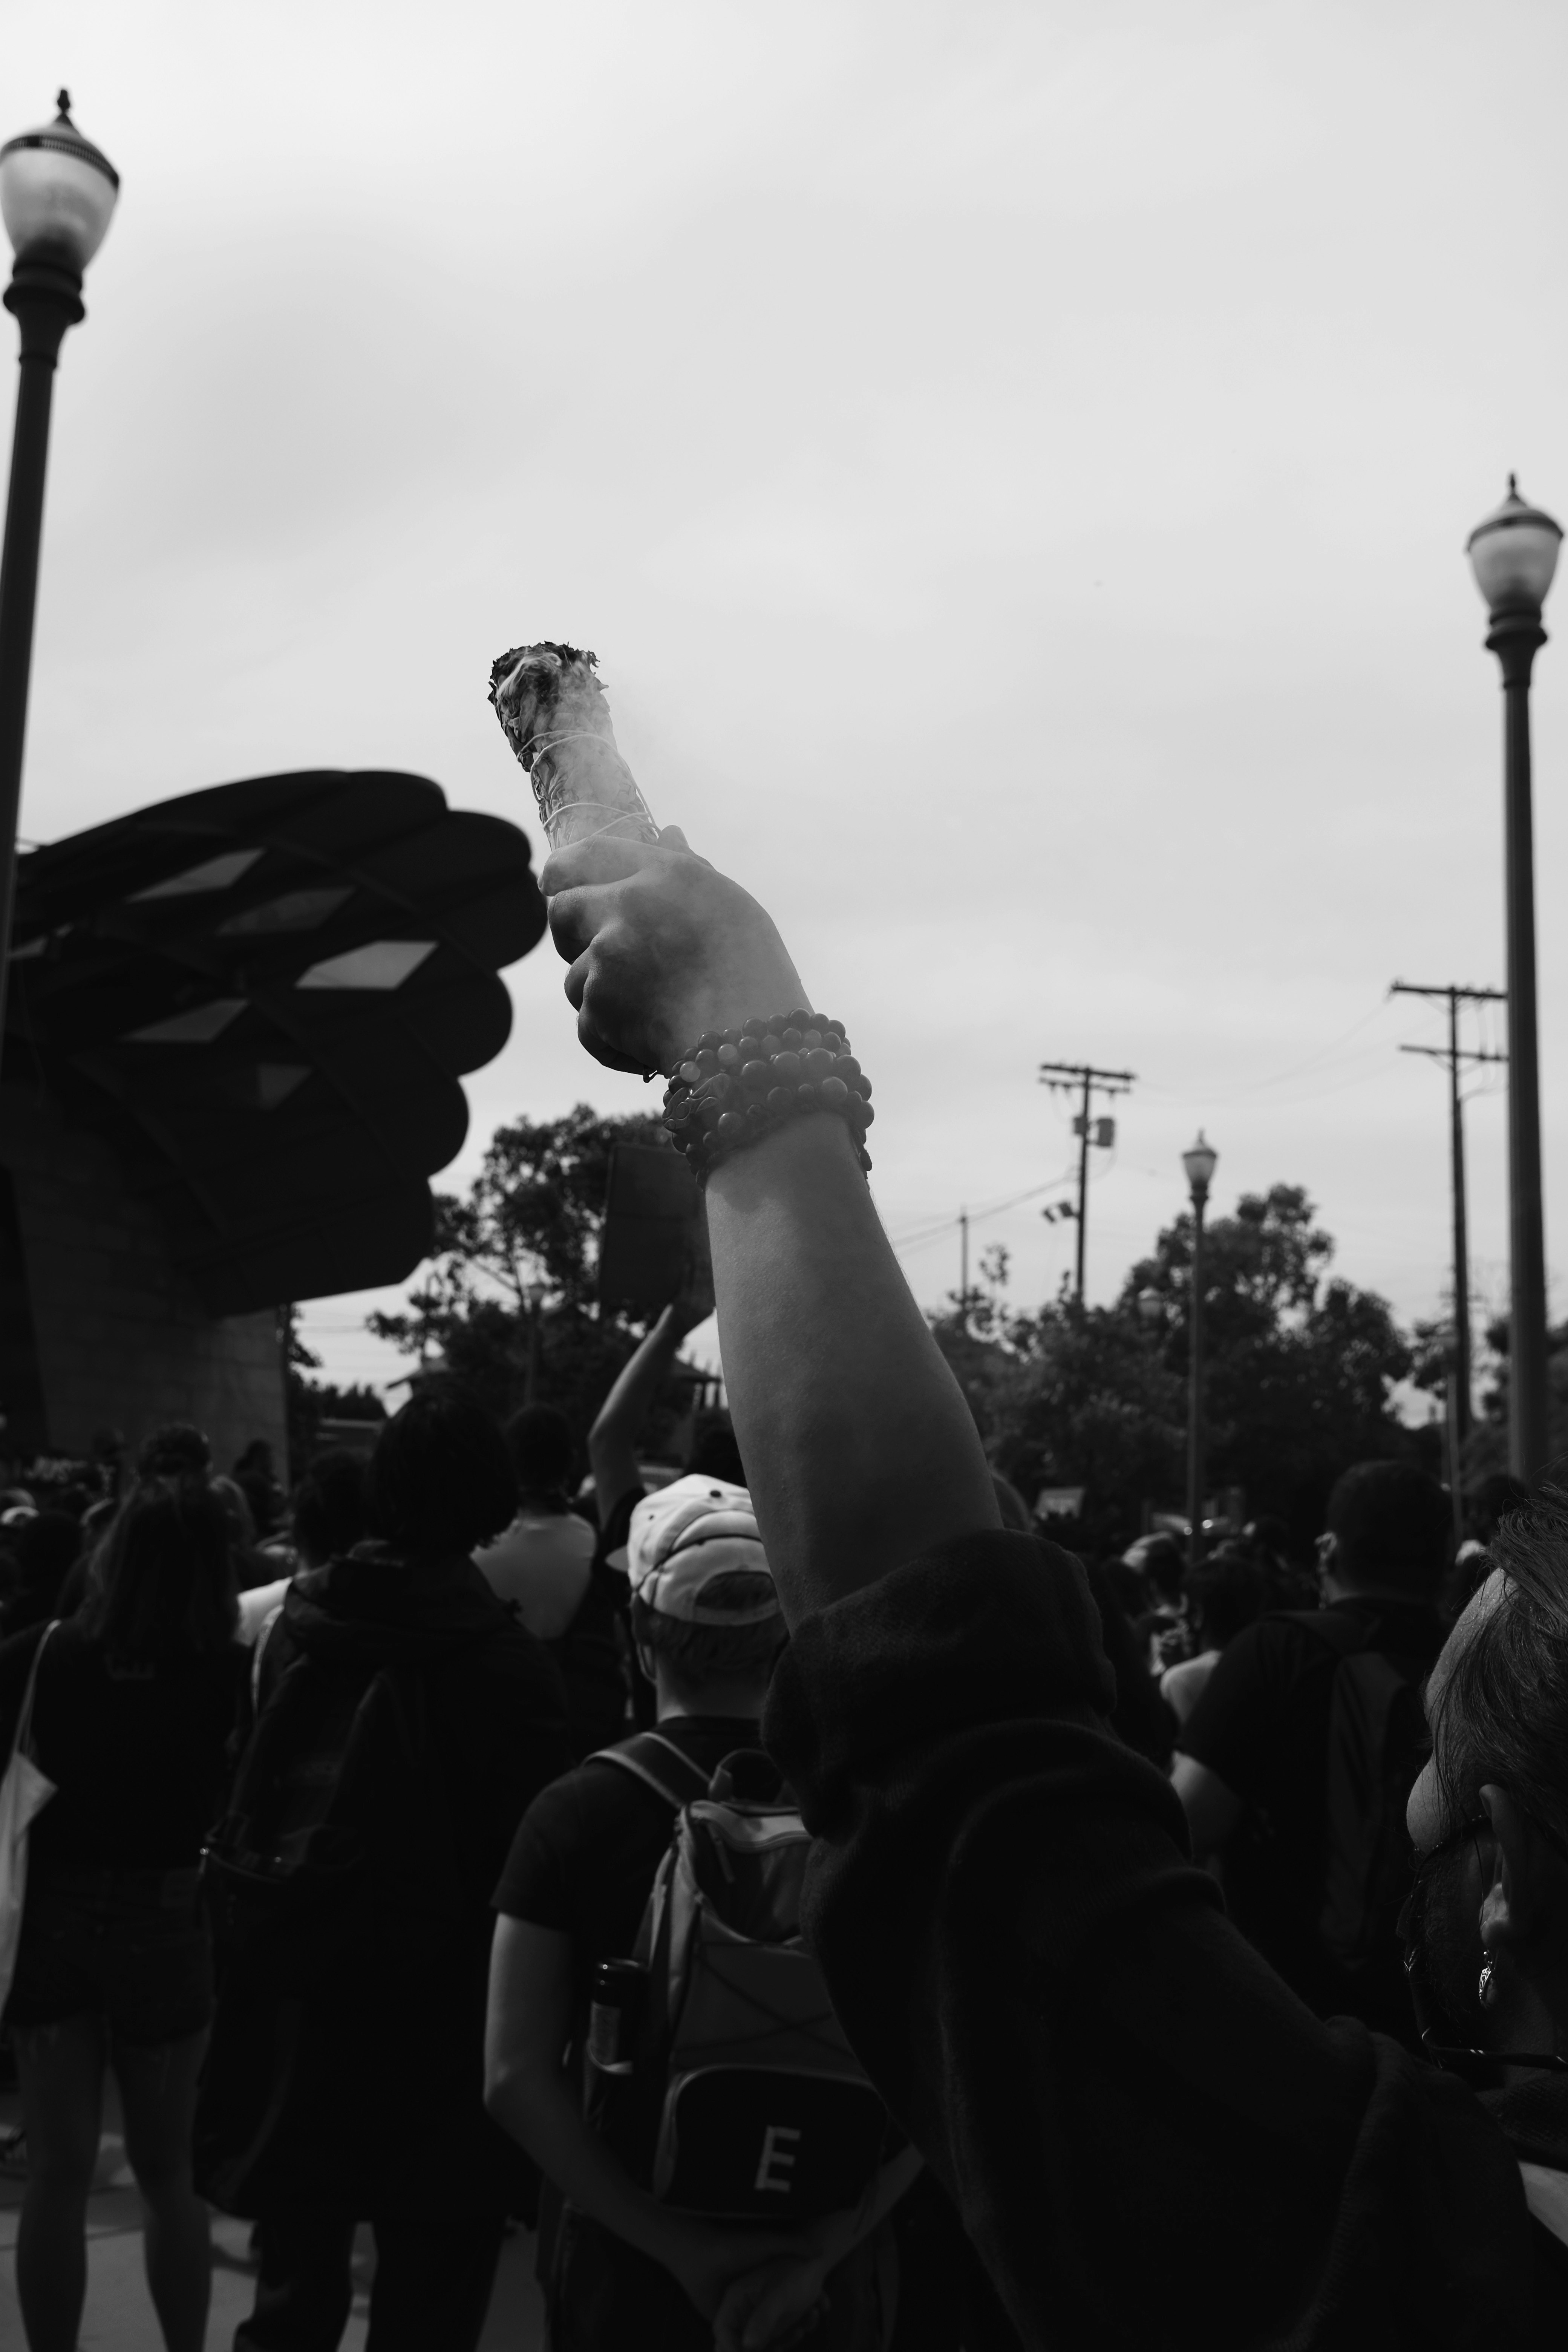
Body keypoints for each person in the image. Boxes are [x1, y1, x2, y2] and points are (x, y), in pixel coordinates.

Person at [538, 819, 1568, 2345]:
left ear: (1505, 1886)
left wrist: (744, 1040)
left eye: (1436, 1808)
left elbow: (965, 1763)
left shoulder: (1423, 2265)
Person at [485, 1473, 922, 2350]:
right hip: (826, 2277)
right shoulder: (869, 1812)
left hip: (631, 2272)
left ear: (640, 1638)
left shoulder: (573, 1814)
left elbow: (513, 2076)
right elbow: (936, 2071)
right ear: (788, 1635)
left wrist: (685, 2251)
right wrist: (815, 2251)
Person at [217, 1383, 573, 2352]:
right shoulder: (507, 1668)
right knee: (427, 2311)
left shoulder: (299, 1625)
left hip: (300, 1998)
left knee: (290, 2301)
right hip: (442, 2031)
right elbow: (538, 1877)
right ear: (488, 1498)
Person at [0, 1483, 247, 2352]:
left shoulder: (41, 1654)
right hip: (169, 1919)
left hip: (51, 1921)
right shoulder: (225, 1668)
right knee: (167, 2173)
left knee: (58, 2176)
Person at [1171, 1459, 1449, 2028]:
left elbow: (1189, 1821)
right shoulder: (1475, 1659)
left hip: (1290, 2016)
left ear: (1327, 1551)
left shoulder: (1278, 1650)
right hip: (1444, 2015)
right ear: (1445, 1562)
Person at [478, 1405, 624, 1752]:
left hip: (490, 1735)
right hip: (575, 1741)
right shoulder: (596, 1544)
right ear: (571, 1461)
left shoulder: (477, 1547)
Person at [1159, 1544, 1268, 1726]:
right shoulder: (1270, 1669)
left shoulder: (1180, 1680)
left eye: (1185, 1611)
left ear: (1198, 1616)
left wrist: (1177, 1670)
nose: (1180, 1618)